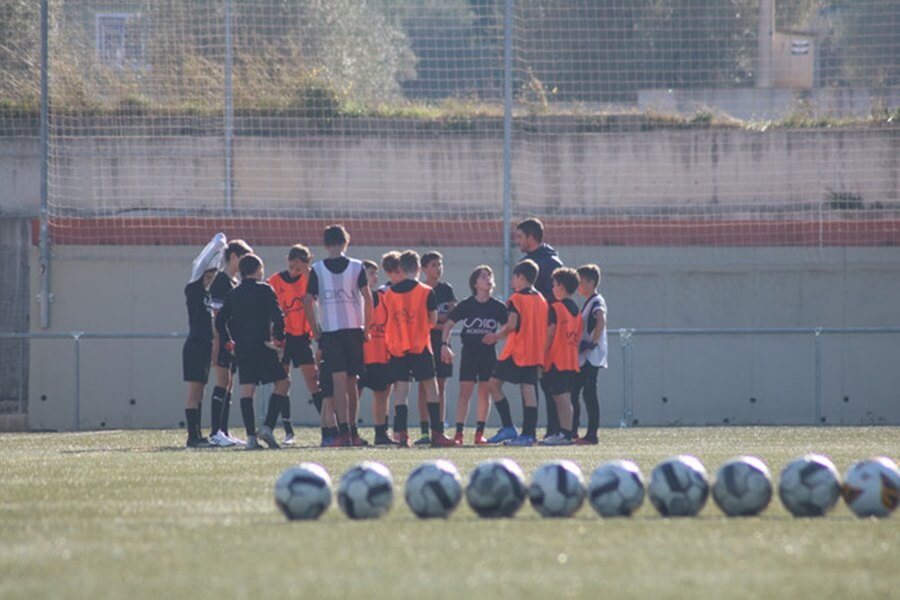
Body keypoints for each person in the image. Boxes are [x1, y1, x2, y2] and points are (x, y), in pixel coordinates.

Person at [302, 224, 372, 447]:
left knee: (339, 381)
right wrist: (367, 329)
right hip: (354, 329)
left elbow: (307, 301)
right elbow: (368, 299)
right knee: (352, 382)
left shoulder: (317, 269)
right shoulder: (357, 267)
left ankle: (343, 432)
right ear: (345, 242)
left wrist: (315, 331)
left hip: (330, 332)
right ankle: (353, 431)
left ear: (325, 244)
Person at [383, 250, 458, 448]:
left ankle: (402, 435)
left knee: (401, 391)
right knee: (431, 389)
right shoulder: (425, 291)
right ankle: (437, 434)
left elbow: (388, 319)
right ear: (418, 268)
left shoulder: (389, 294)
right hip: (420, 345)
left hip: (398, 347)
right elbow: (432, 321)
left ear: (401, 268)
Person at [215, 253, 289, 450]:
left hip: (242, 348)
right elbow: (279, 316)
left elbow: (219, 320)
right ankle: (267, 427)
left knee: (247, 390)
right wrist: (279, 338)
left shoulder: (234, 293)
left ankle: (250, 437)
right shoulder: (265, 289)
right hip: (262, 346)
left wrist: (228, 341)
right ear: (258, 270)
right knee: (283, 383)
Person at [483, 259, 549, 447]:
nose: (512, 281)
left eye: (514, 277)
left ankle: (508, 427)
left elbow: (512, 325)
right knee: (528, 390)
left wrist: (495, 336)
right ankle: (529, 434)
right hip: (534, 351)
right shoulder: (542, 300)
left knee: (493, 385)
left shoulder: (516, 299)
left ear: (521, 277)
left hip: (516, 351)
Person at [441, 265, 507, 445]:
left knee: (484, 392)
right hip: (469, 353)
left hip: (488, 354)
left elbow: (509, 327)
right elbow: (448, 325)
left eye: (490, 275)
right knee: (465, 392)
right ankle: (459, 433)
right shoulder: (467, 304)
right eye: (483, 276)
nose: (488, 279)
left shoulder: (498, 307)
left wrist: (497, 336)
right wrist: (444, 345)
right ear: (475, 283)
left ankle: (479, 433)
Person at [514, 217, 564, 439]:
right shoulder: (529, 261)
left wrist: (548, 325)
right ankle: (531, 431)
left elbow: (557, 299)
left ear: (531, 237)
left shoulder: (551, 263)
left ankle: (556, 430)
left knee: (550, 382)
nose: (516, 241)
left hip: (548, 331)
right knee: (529, 381)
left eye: (519, 236)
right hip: (530, 332)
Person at [267, 244, 318, 445]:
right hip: (283, 338)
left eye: (300, 266)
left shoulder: (310, 279)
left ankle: (328, 427)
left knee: (313, 381)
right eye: (292, 264)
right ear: (287, 260)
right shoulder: (275, 281)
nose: (295, 269)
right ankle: (288, 431)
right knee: (282, 382)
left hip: (303, 337)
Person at [182, 233, 227, 448]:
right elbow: (199, 263)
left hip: (205, 345)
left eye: (212, 278)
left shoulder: (208, 295)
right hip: (195, 345)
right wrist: (219, 244)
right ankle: (192, 436)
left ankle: (198, 435)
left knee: (201, 392)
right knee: (194, 393)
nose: (209, 280)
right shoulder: (193, 289)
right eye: (207, 277)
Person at [208, 238, 253, 447]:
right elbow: (216, 316)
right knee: (221, 382)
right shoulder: (221, 281)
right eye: (243, 257)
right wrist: (217, 344)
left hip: (233, 342)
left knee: (229, 384)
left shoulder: (235, 282)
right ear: (234, 256)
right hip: (223, 340)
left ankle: (224, 431)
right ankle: (215, 432)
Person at [415, 251, 456, 445]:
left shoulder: (446, 289)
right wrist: (436, 320)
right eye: (433, 265)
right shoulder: (420, 290)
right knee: (424, 387)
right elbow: (420, 319)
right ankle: (424, 431)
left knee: (441, 386)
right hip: (424, 343)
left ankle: (438, 429)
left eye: (440, 264)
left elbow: (451, 317)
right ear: (423, 269)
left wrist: (434, 321)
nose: (438, 268)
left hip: (442, 342)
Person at [539, 267, 583, 446]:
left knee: (560, 397)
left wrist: (541, 356)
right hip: (571, 359)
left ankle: (565, 434)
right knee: (564, 397)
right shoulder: (576, 309)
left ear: (562, 287)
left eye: (555, 284)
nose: (552, 288)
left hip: (556, 359)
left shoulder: (555, 308)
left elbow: (550, 334)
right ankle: (564, 432)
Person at [359, 257, 399, 446]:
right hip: (359, 355)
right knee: (353, 394)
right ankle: (349, 432)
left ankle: (381, 433)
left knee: (382, 394)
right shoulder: (354, 300)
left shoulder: (383, 297)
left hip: (380, 354)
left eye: (376, 273)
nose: (375, 277)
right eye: (371, 273)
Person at [571, 264, 608, 445]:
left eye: (581, 281)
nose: (578, 285)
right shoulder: (588, 302)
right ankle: (573, 432)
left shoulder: (596, 301)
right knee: (575, 393)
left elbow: (600, 319)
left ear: (591, 282)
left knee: (589, 394)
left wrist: (593, 342)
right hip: (584, 356)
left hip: (591, 356)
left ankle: (592, 435)